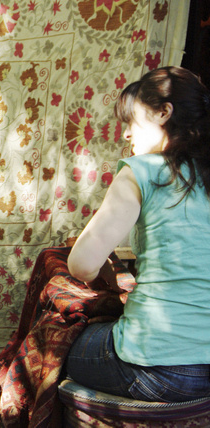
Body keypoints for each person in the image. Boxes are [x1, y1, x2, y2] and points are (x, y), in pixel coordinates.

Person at [66, 66, 210, 402]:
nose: (127, 134)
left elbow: (81, 265)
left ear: (163, 112)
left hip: (155, 367)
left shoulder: (142, 171)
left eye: (131, 121)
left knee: (53, 340)